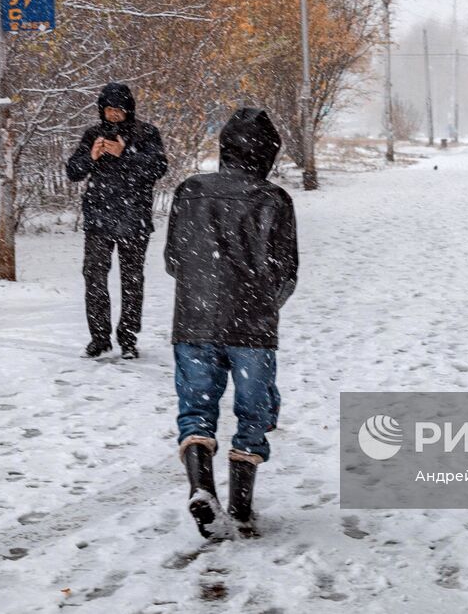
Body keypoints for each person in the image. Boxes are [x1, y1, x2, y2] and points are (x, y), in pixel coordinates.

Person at [164, 108, 298, 538]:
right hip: (251, 326)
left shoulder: (189, 191)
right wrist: (262, 304)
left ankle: (202, 487)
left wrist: (201, 288)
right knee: (254, 412)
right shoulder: (273, 200)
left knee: (196, 411)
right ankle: (240, 508)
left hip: (193, 321)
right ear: (267, 154)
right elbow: (285, 271)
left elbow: (173, 259)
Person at [65, 82, 168, 360]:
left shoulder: (146, 133)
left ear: (128, 110)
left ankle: (128, 337)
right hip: (99, 219)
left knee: (132, 281)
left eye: (118, 110)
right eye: (108, 109)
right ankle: (99, 337)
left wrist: (126, 154)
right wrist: (92, 156)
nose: (112, 115)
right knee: (94, 278)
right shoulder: (92, 134)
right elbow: (72, 171)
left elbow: (159, 168)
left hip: (134, 219)